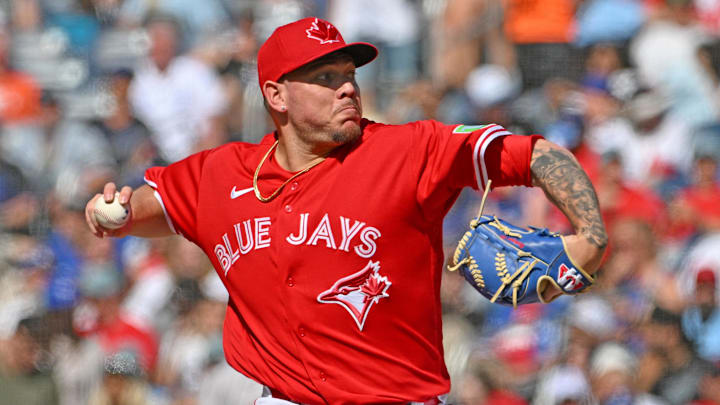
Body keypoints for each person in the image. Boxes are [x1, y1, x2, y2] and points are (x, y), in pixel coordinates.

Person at [85, 17, 607, 404]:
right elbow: (162, 207)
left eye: (349, 74)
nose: (348, 87)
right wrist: (119, 212)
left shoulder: (409, 150)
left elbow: (534, 155)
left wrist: (590, 233)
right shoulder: (222, 173)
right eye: (326, 77)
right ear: (276, 95)